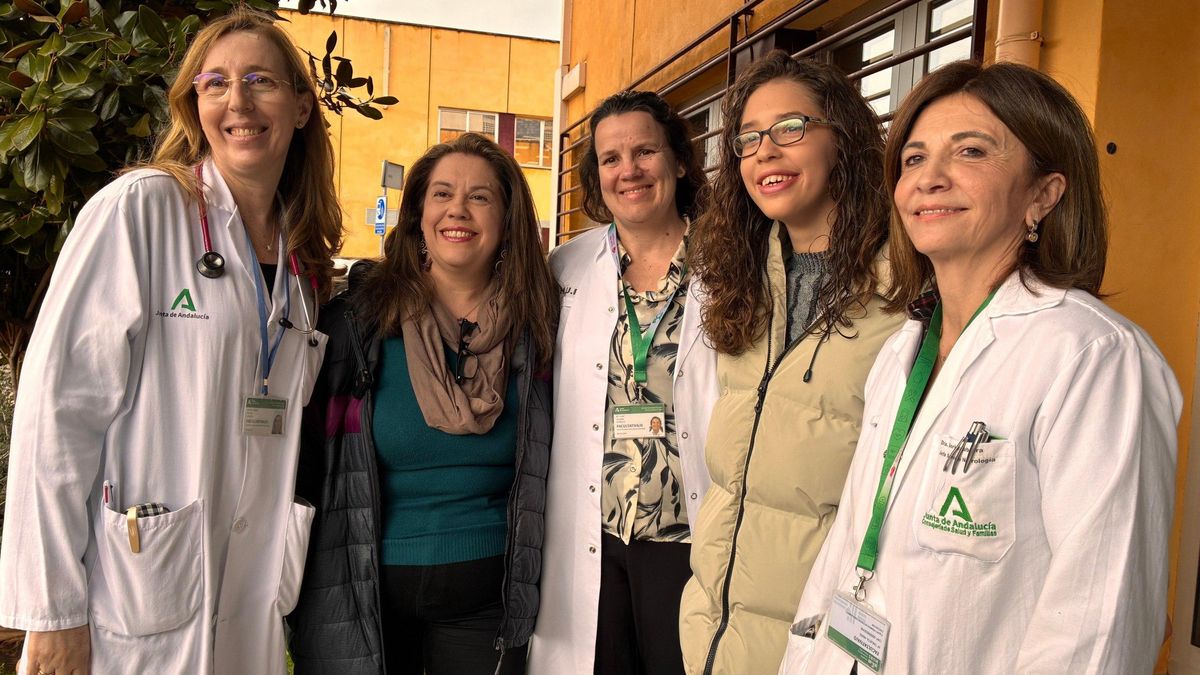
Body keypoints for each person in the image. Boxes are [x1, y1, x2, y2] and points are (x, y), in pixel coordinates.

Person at [780, 61, 1181, 675]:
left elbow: (1100, 624)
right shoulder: (902, 351)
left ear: (1044, 194)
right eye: (913, 160)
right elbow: (847, 547)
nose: (929, 179)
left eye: (970, 151)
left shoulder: (1093, 358)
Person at [0, 8, 341, 674]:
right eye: (214, 84)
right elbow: (56, 412)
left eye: (259, 81)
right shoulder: (143, 211)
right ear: (194, 106)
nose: (236, 101)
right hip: (134, 604)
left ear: (301, 107)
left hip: (249, 607)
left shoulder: (300, 267)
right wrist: (54, 611)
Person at [286, 133, 558, 675]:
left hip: (490, 598)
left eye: (480, 196)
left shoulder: (542, 328)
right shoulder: (357, 324)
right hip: (368, 594)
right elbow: (308, 460)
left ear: (507, 220)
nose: (458, 209)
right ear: (416, 216)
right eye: (442, 194)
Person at [678, 51, 906, 675]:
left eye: (791, 129)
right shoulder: (742, 278)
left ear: (844, 142)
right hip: (715, 633)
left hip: (823, 643)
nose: (764, 152)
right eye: (748, 138)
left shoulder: (908, 288)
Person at [527, 91, 720, 675]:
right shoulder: (567, 267)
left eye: (644, 152)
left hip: (689, 533)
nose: (628, 171)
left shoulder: (729, 260)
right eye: (610, 159)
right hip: (595, 532)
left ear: (679, 161)